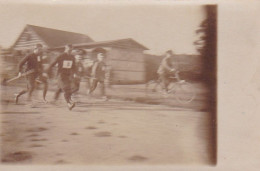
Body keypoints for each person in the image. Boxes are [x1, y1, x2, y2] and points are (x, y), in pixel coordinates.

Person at [46, 44, 76, 110]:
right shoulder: (61, 56)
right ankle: (69, 103)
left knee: (60, 88)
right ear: (65, 49)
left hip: (68, 75)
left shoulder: (72, 57)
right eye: (69, 50)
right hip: (61, 75)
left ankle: (54, 100)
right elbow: (52, 64)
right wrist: (48, 73)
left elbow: (74, 66)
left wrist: (74, 73)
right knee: (66, 88)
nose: (70, 51)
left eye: (71, 50)